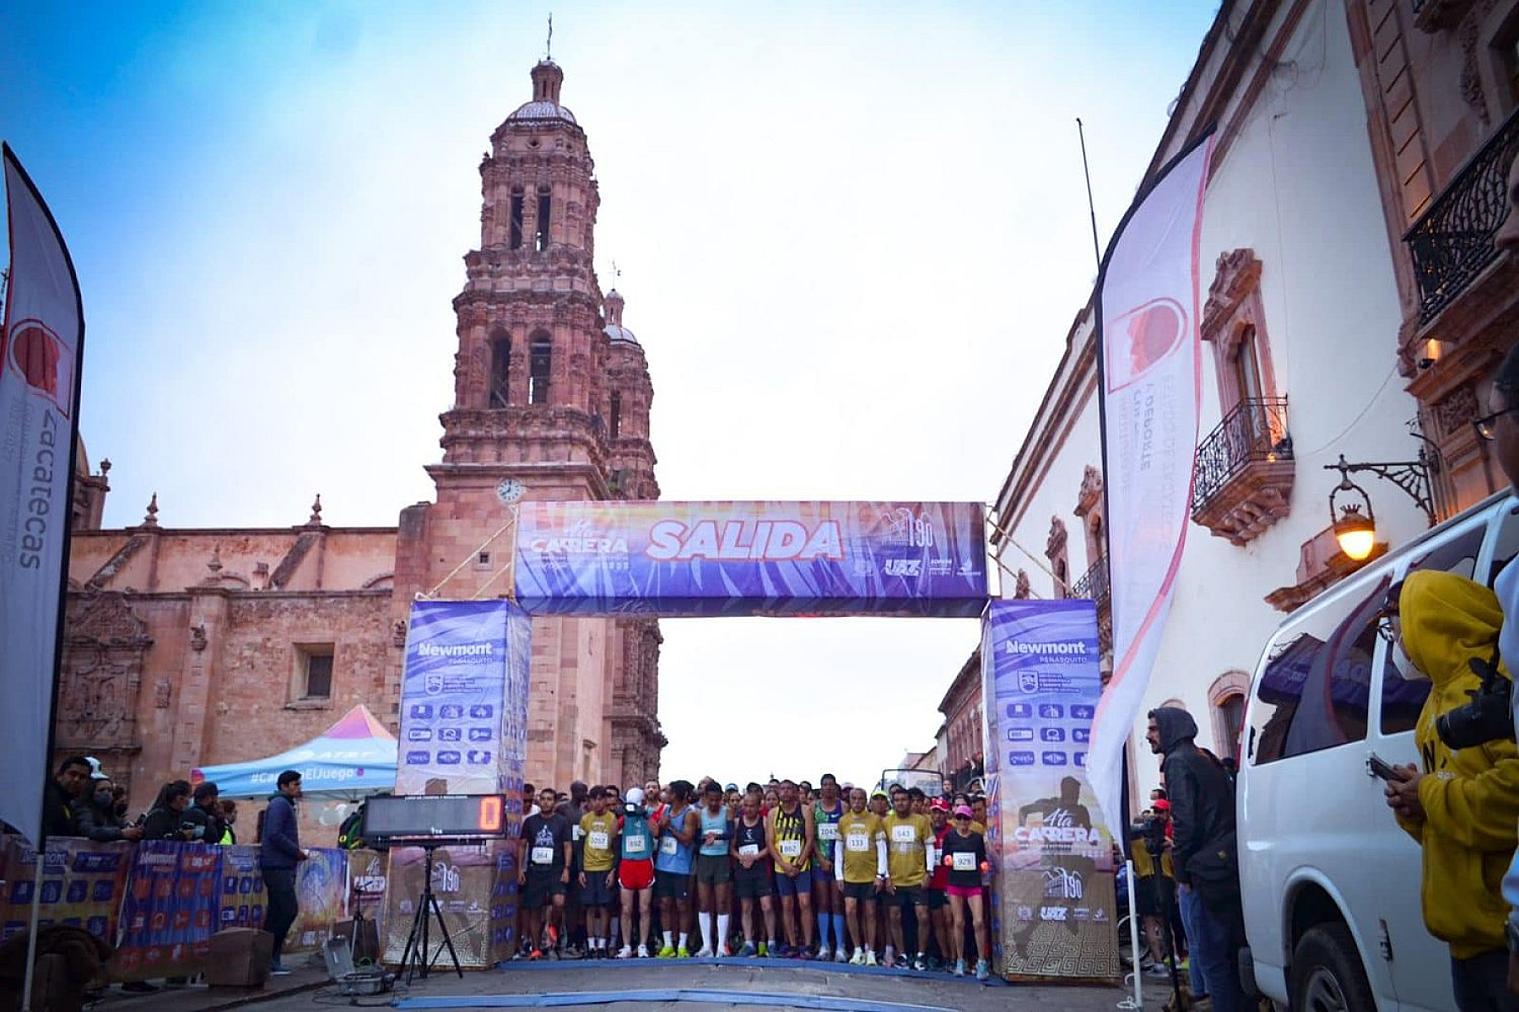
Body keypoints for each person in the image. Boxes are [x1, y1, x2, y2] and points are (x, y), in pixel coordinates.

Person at [1385, 570, 1519, 1010]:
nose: (1399, 645)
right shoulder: (1436, 701)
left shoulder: (1495, 688)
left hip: (1503, 934)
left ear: (1428, 623)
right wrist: (1412, 804)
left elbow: (1509, 802)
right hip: (1466, 937)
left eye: (1400, 629)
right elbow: (1444, 813)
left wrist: (1427, 794)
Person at [1147, 707, 1248, 1012]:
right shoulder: (1204, 757)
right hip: (1224, 863)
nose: (1148, 735)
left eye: (1154, 729)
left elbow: (1185, 823)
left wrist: (1182, 874)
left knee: (1211, 957)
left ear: (1170, 728)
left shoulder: (1177, 762)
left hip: (1203, 871)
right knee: (1229, 954)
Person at [260, 770, 307, 975]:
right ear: (284, 786)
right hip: (276, 865)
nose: (299, 788)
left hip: (281, 865)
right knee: (287, 910)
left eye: (299, 784)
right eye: (295, 784)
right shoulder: (280, 804)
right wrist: (295, 852)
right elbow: (274, 834)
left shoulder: (284, 804)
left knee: (276, 913)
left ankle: (269, 958)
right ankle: (270, 957)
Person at [883, 785, 934, 971]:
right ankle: (902, 954)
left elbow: (929, 846)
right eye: (897, 800)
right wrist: (886, 876)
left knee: (923, 916)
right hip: (895, 879)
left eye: (904, 800)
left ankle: (921, 955)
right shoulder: (886, 822)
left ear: (910, 802)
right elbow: (883, 850)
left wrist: (929, 872)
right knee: (894, 917)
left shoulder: (921, 821)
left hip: (917, 878)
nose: (900, 803)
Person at [519, 786, 573, 959]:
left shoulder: (561, 822)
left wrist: (566, 868)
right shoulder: (530, 822)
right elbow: (522, 845)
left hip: (555, 868)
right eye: (543, 799)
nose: (545, 802)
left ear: (554, 802)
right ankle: (536, 947)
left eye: (549, 799)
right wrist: (520, 869)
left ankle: (553, 926)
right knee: (535, 909)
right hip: (535, 869)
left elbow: (567, 846)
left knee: (559, 902)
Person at [836, 786, 887, 966]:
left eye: (860, 799)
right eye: (854, 799)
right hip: (850, 875)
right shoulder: (843, 821)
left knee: (870, 913)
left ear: (866, 801)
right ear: (849, 801)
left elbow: (882, 848)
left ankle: (870, 951)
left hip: (870, 875)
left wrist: (880, 874)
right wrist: (839, 875)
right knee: (850, 910)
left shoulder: (875, 820)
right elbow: (839, 849)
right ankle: (857, 949)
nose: (857, 802)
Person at [766, 778, 816, 958]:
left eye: (789, 789)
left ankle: (808, 944)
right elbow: (770, 842)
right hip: (782, 866)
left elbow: (810, 838)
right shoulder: (773, 813)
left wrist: (799, 863)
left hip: (801, 865)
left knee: (805, 903)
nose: (785, 792)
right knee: (786, 905)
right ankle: (792, 944)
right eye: (782, 789)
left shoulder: (805, 810)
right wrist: (784, 865)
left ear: (795, 792)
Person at [941, 804, 991, 980]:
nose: (962, 821)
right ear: (955, 820)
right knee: (959, 922)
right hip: (955, 883)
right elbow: (944, 857)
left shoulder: (977, 838)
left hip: (973, 884)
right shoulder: (950, 837)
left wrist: (983, 866)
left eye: (966, 818)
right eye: (959, 818)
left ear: (970, 821)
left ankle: (981, 961)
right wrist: (948, 860)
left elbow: (983, 859)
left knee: (978, 922)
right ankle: (960, 960)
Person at [653, 779, 697, 958]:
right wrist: (659, 826)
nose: (666, 795)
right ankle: (668, 944)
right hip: (663, 864)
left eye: (670, 792)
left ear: (678, 795)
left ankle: (682, 945)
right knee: (665, 904)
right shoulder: (666, 810)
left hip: (681, 866)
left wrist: (669, 827)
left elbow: (687, 839)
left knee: (682, 905)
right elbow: (656, 833)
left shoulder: (690, 814)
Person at [731, 788, 776, 957]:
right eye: (746, 806)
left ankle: (771, 942)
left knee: (767, 906)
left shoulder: (764, 822)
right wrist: (741, 858)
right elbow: (731, 847)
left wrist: (755, 857)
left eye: (752, 806)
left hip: (761, 868)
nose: (749, 809)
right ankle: (748, 941)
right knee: (746, 907)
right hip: (744, 868)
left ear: (759, 806)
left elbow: (770, 846)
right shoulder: (737, 823)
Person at [578, 786, 619, 958]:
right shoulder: (585, 819)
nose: (597, 803)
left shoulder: (612, 819)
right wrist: (580, 870)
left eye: (600, 799)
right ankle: (590, 944)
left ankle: (602, 944)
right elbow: (580, 845)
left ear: (605, 800)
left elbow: (616, 847)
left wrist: (613, 870)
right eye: (593, 799)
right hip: (588, 868)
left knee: (604, 907)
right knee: (589, 907)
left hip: (605, 867)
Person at [616, 787, 656, 959]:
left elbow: (656, 832)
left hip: (644, 863)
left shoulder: (649, 814)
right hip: (627, 864)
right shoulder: (625, 816)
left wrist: (645, 814)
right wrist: (620, 814)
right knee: (626, 908)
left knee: (644, 908)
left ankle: (642, 945)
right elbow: (611, 833)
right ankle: (626, 945)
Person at [812, 773, 847, 961]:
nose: (828, 787)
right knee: (823, 902)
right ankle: (824, 945)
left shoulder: (844, 807)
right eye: (824, 784)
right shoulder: (814, 808)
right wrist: (821, 858)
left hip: (839, 863)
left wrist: (838, 860)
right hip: (820, 862)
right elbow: (811, 837)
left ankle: (840, 946)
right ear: (820, 787)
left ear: (835, 787)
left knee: (837, 903)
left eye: (831, 784)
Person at [73, 774, 143, 843]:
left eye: (110, 790)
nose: (106, 793)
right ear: (91, 793)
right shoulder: (83, 809)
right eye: (101, 790)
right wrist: (121, 833)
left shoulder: (108, 812)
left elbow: (120, 824)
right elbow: (90, 831)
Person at [925, 799, 952, 969]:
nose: (937, 816)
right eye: (935, 812)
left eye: (941, 812)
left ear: (947, 814)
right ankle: (944, 956)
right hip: (932, 884)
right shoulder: (926, 831)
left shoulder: (952, 832)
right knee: (937, 922)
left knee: (950, 921)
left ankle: (955, 956)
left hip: (950, 884)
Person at [44, 756, 91, 839]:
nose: (76, 780)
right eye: (72, 774)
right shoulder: (49, 799)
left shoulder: (67, 801)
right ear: (59, 775)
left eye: (82, 777)